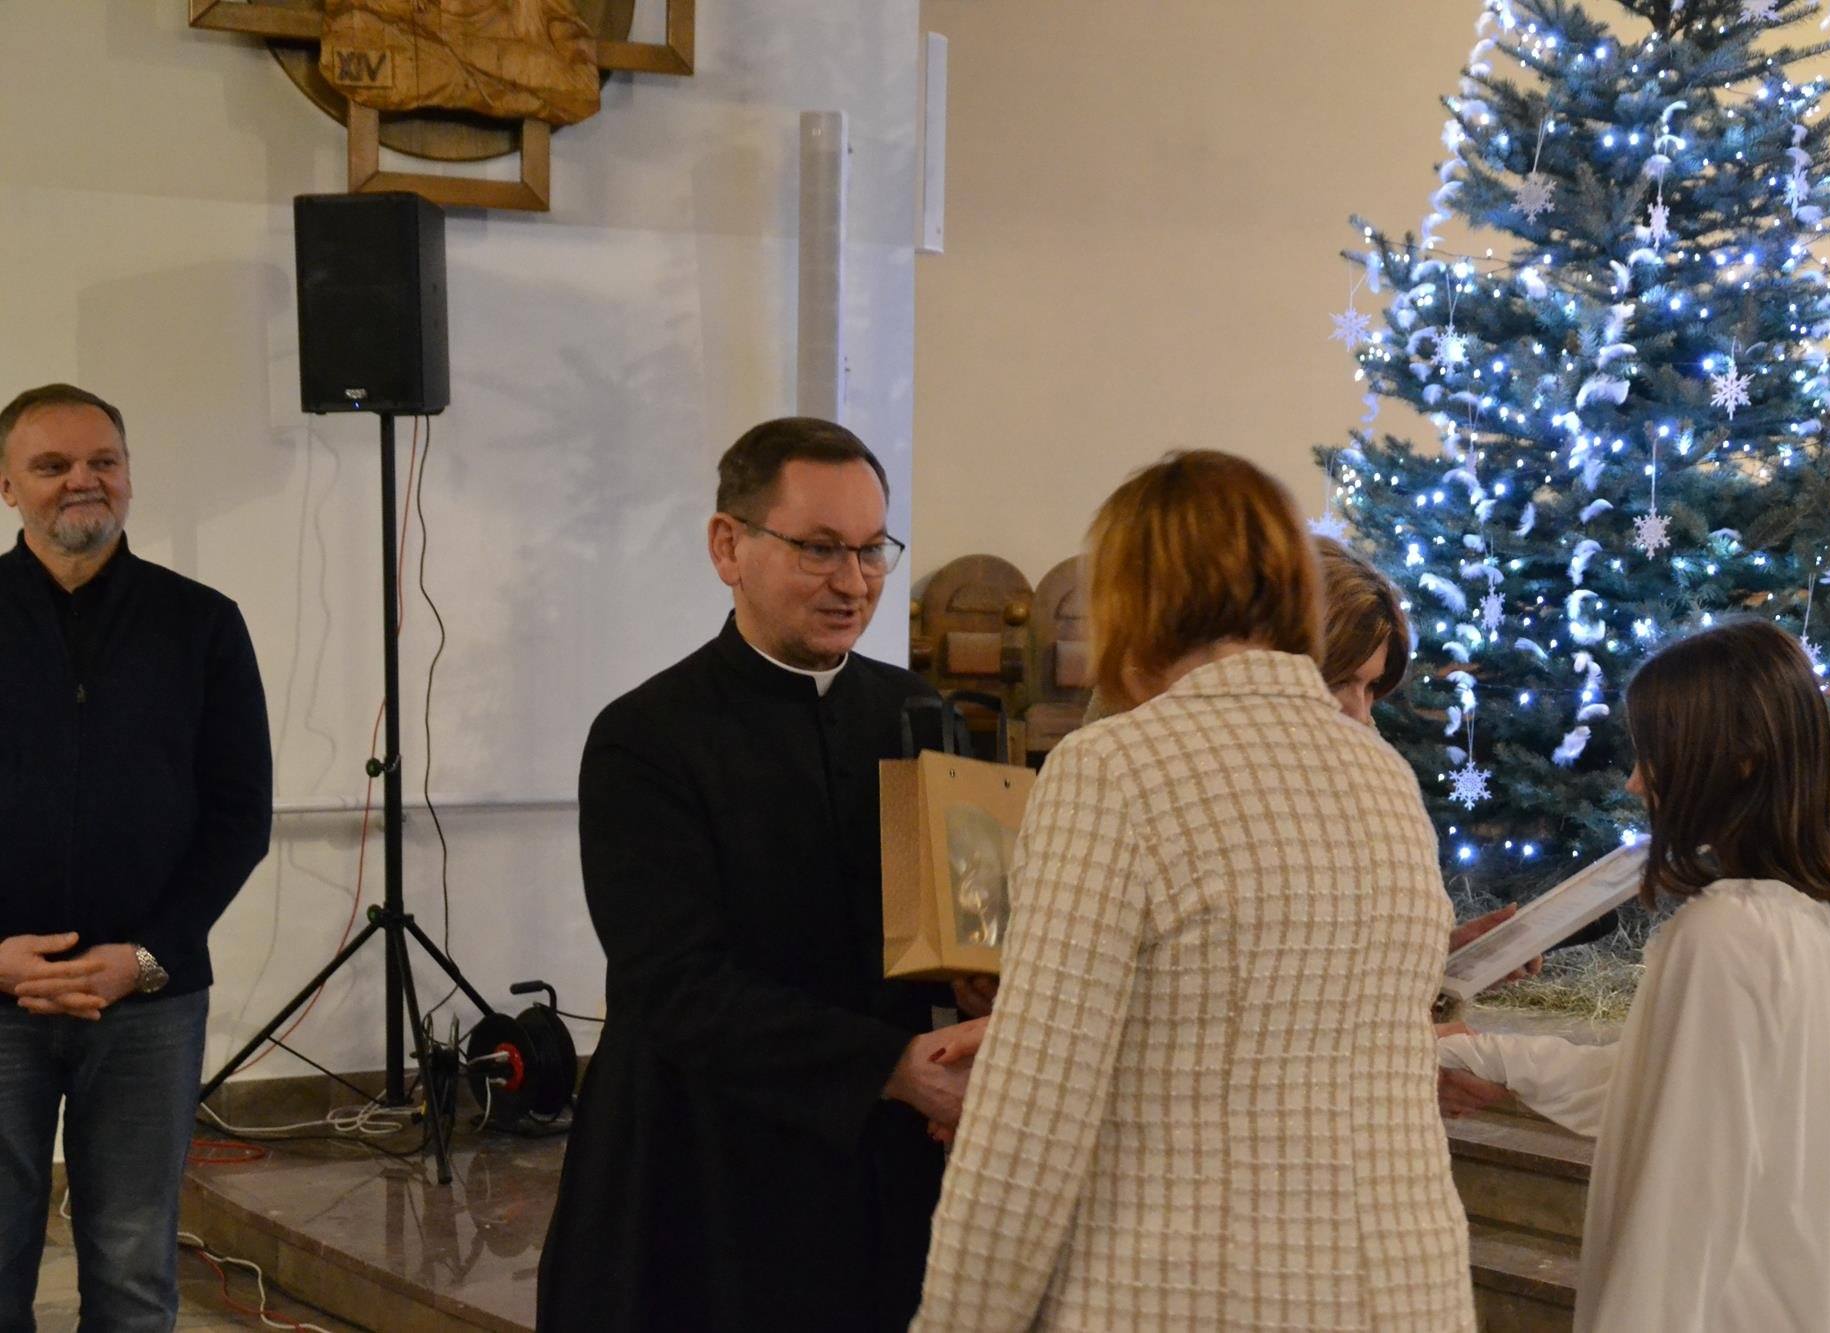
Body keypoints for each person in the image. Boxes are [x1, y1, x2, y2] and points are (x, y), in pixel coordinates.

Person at [912, 451, 1475, 1331]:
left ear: (1134, 599)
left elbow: (1033, 1118)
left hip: (1194, 1290)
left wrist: (956, 1320)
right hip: (1404, 1292)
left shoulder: (1114, 768)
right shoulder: (1384, 774)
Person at [537, 417, 987, 1333]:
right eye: (819, 549)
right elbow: (675, 983)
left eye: (871, 549)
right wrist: (891, 1067)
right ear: (727, 546)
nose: (853, 582)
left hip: (884, 1172)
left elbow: (958, 919)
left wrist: (977, 988)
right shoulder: (646, 736)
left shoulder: (919, 713)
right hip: (705, 1166)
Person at [1437, 619, 1830, 1331]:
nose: (1635, 780)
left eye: (1655, 754)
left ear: (1739, 758)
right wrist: (1493, 1058)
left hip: (1729, 1303)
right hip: (1799, 1291)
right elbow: (1661, 1082)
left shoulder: (1724, 931)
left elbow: (1685, 1188)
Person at [0, 383, 273, 1327]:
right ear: (8, 485)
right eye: (53, 464)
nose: (83, 480)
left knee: (131, 1269)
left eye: (103, 461)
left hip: (149, 1000)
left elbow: (239, 815)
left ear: (128, 474)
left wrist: (149, 954)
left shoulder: (201, 622)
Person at [1309, 535, 1534, 1117]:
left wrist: (1439, 955)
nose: (1359, 714)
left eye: (1370, 688)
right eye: (1338, 682)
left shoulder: (1365, 764)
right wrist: (1404, 1049)